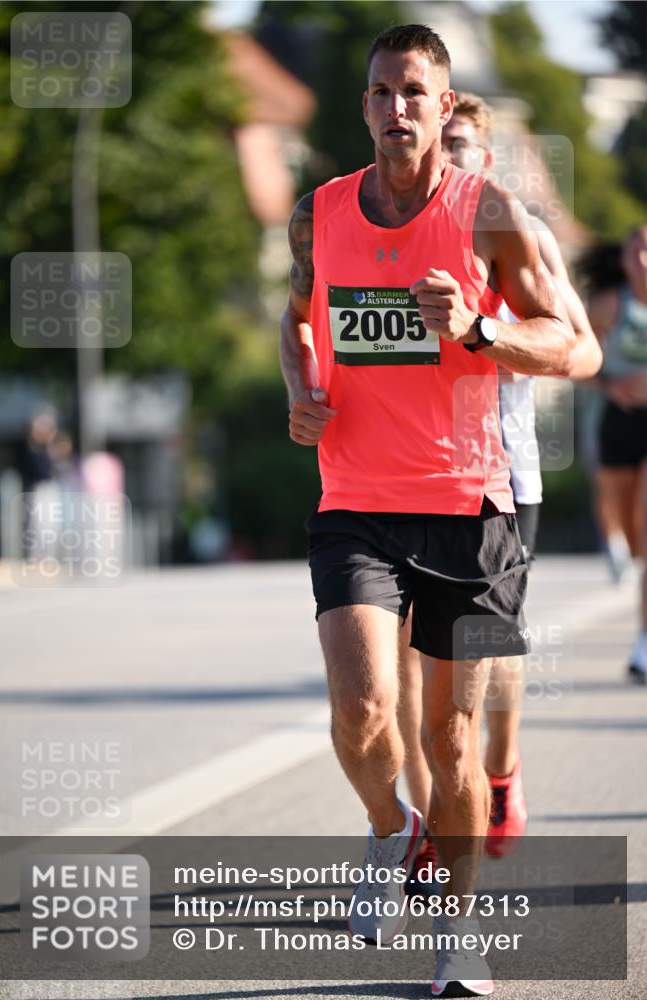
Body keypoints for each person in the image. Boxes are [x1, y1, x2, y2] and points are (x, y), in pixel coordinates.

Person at [279, 24, 574, 997]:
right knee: (362, 710)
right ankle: (384, 826)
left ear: (444, 109)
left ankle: (456, 933)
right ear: (361, 106)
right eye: (380, 91)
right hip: (354, 497)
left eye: (415, 91)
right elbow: (295, 319)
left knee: (448, 740)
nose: (396, 107)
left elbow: (572, 348)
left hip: (467, 504)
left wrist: (482, 327)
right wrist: (300, 385)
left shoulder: (485, 212)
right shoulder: (317, 215)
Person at [397, 93, 603, 878]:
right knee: (416, 659)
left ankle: (502, 770)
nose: (443, 156)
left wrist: (487, 332)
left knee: (483, 645)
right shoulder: (392, 223)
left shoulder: (514, 229)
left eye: (458, 144)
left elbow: (578, 346)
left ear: (484, 158)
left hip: (501, 469)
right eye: (437, 144)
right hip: (404, 473)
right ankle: (428, 827)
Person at [588, 225, 647, 681]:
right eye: (637, 253)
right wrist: (610, 383)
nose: (644, 261)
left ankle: (644, 639)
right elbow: (577, 355)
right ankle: (617, 547)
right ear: (625, 259)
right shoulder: (610, 305)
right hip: (618, 421)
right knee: (630, 534)